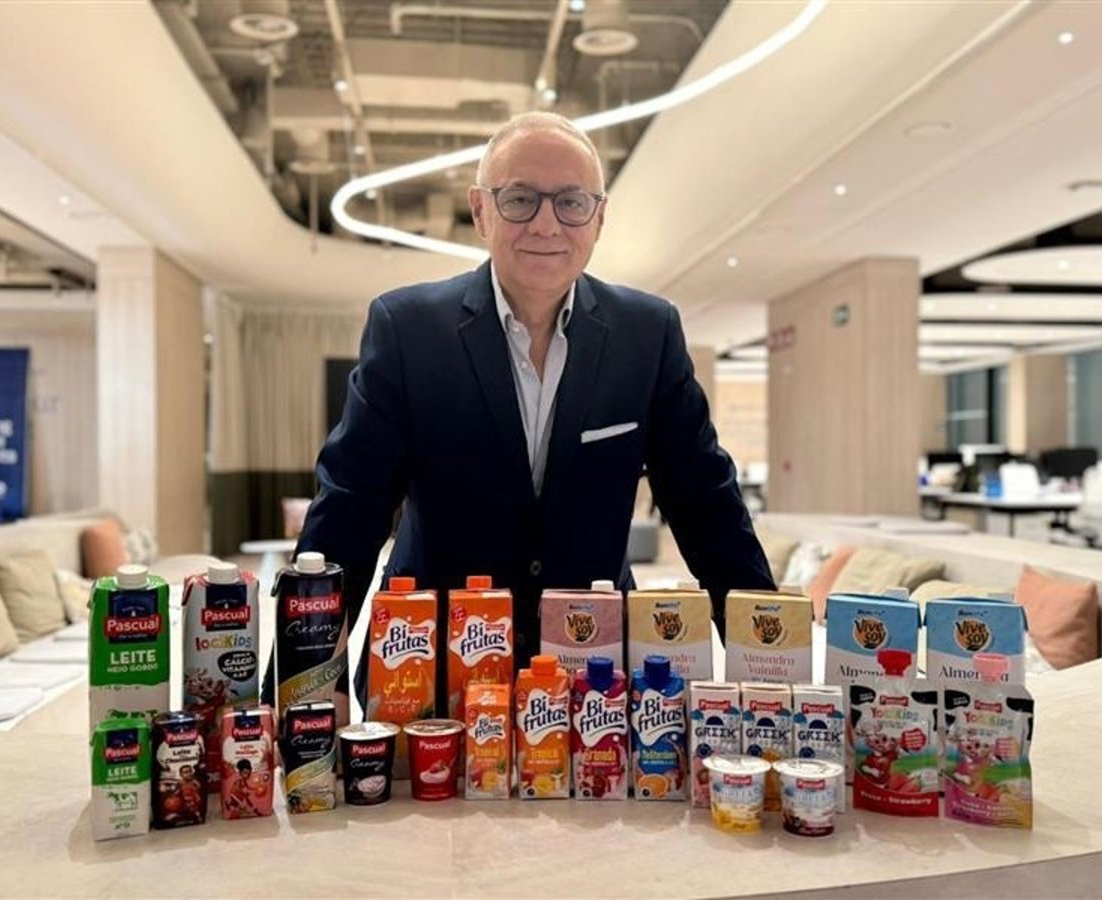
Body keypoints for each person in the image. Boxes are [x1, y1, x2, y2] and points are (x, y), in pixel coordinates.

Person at [272, 112, 774, 713]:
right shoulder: (407, 329)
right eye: (519, 199)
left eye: (571, 202)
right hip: (427, 676)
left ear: (599, 217)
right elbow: (350, 510)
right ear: (480, 210)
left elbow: (705, 506)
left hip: (596, 680)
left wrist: (768, 667)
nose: (546, 223)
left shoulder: (648, 333)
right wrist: (295, 690)